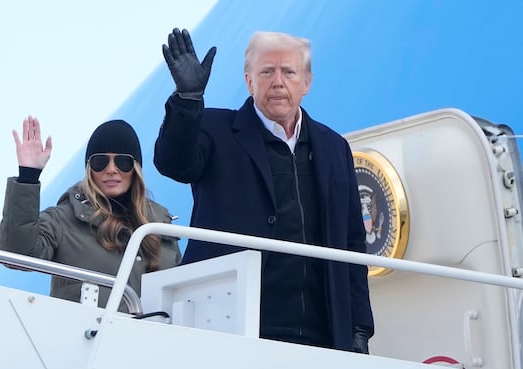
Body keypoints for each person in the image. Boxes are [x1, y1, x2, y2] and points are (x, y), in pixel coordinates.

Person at [154, 28, 373, 352]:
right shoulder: (215, 129)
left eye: (288, 71)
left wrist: (359, 328)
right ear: (249, 80)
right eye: (267, 71)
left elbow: (353, 244)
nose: (278, 82)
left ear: (306, 82)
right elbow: (173, 163)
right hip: (233, 329)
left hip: (321, 338)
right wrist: (187, 101)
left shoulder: (334, 147)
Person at [0, 116, 181, 312]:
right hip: (86, 338)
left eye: (123, 162)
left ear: (135, 168)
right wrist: (28, 177)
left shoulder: (161, 227)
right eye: (100, 161)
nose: (111, 169)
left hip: (155, 340)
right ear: (89, 169)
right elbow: (16, 255)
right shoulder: (63, 220)